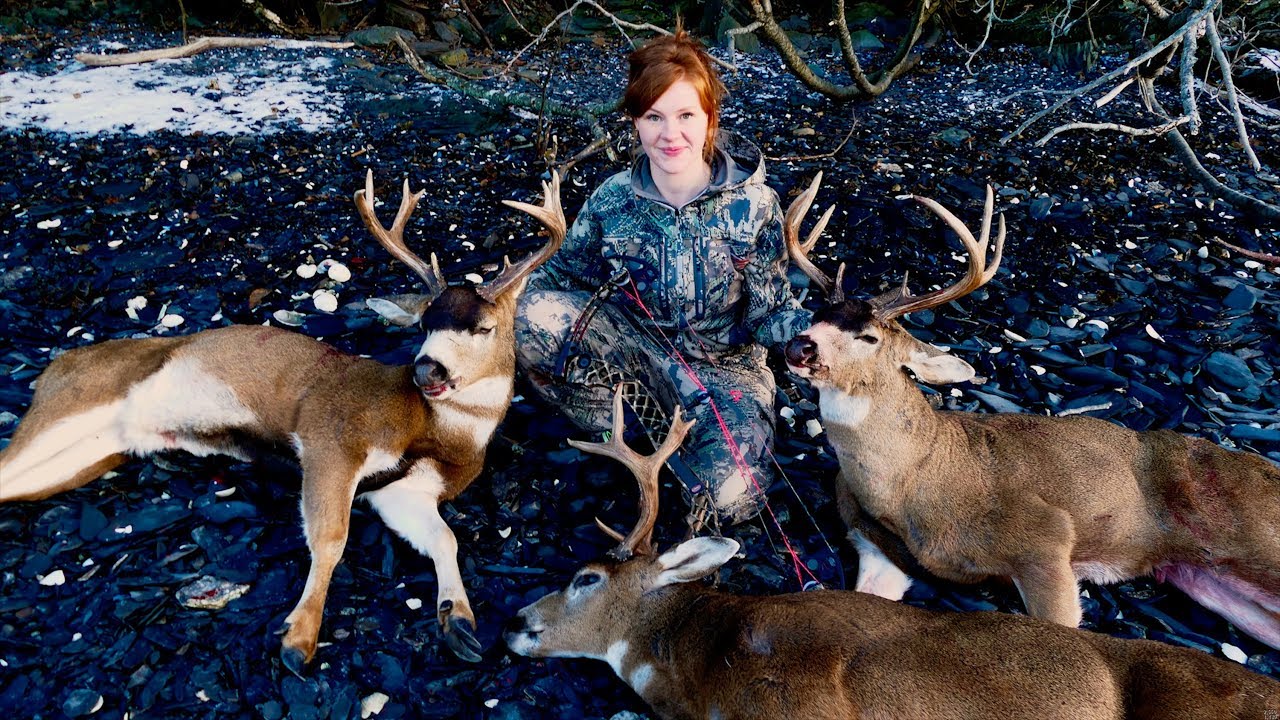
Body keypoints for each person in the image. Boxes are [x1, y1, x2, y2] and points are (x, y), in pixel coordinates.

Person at [515, 29, 811, 526]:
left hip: (725, 375)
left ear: (709, 118)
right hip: (635, 356)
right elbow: (560, 276)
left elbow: (771, 311)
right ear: (635, 122)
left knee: (731, 500)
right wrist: (488, 309)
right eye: (653, 117)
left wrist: (817, 335)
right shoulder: (611, 200)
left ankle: (666, 446)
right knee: (532, 317)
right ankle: (631, 426)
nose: (670, 134)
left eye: (685, 115)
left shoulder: (756, 205)